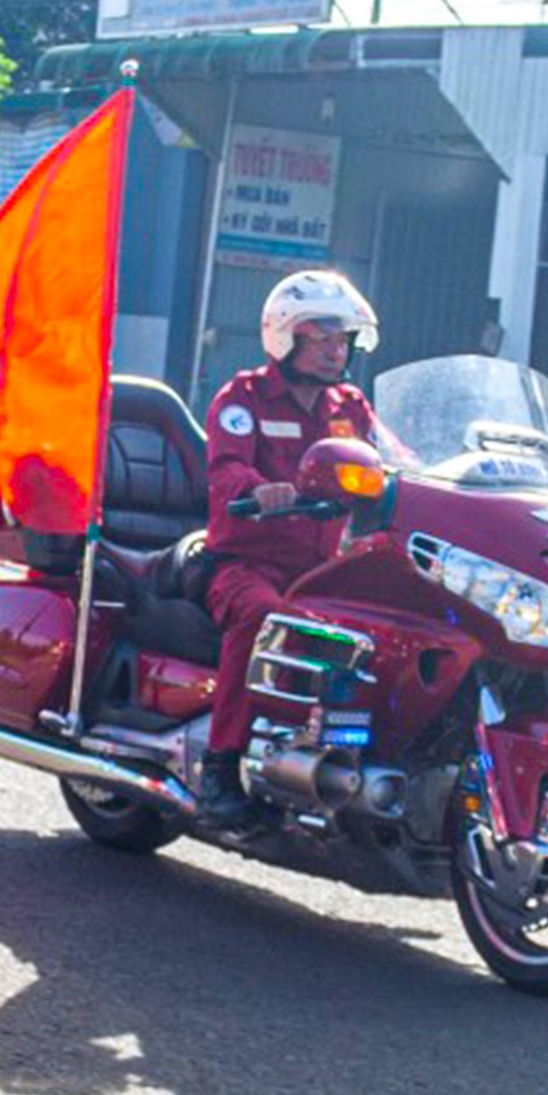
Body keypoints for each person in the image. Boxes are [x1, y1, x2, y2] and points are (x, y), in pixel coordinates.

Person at [196, 269, 389, 828]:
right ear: (286, 336)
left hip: (325, 571)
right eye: (323, 338)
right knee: (263, 619)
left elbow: (388, 460)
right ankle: (220, 768)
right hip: (246, 564)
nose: (336, 351)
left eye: (342, 340)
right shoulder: (244, 397)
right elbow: (227, 467)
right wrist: (257, 489)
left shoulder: (350, 407)